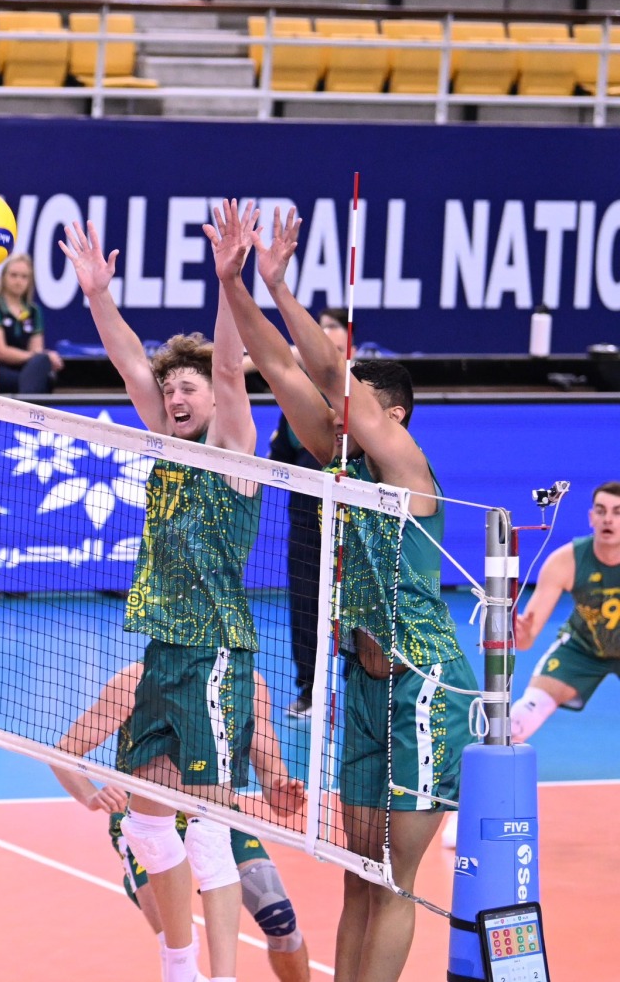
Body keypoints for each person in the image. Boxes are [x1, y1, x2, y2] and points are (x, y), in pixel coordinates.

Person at [214, 199, 475, 982]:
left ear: (391, 414)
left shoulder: (407, 467)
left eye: (352, 402)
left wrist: (279, 284)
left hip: (423, 685)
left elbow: (327, 371)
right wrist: (235, 285)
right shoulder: (339, 460)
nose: (334, 410)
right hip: (360, 688)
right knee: (357, 873)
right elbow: (283, 371)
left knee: (391, 878)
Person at [60, 211, 260, 982]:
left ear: (213, 399)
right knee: (147, 825)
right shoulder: (167, 442)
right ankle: (180, 966)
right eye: (169, 386)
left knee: (206, 827)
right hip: (163, 650)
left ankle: (219, 975)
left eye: (187, 386)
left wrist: (230, 281)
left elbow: (232, 371)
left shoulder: (233, 450)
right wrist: (98, 295)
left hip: (214, 650)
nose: (174, 394)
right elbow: (127, 364)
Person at [52, 664, 311, 981]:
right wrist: (90, 795)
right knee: (180, 947)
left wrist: (282, 796)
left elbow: (273, 778)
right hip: (147, 823)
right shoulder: (137, 679)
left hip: (215, 814)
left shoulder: (246, 682)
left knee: (279, 917)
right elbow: (65, 752)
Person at [266, 310, 353, 719]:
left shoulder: (362, 396)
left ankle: (364, 688)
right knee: (305, 606)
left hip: (354, 522)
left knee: (358, 608)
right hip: (305, 520)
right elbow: (279, 458)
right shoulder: (297, 401)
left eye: (331, 338)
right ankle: (311, 690)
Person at [509, 480, 620, 741]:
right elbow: (526, 640)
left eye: (618, 512)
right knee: (520, 721)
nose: (608, 519)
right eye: (601, 511)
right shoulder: (565, 561)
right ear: (591, 518)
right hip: (583, 647)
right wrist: (520, 633)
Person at [0, 252, 63, 394]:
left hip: (24, 370)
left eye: (24, 276)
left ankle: (28, 401)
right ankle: (28, 404)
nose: (18, 281)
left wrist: (42, 358)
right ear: (3, 276)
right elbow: (0, 352)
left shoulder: (33, 311)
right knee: (40, 366)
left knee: (42, 367)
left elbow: (36, 350)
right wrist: (40, 357)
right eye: (13, 275)